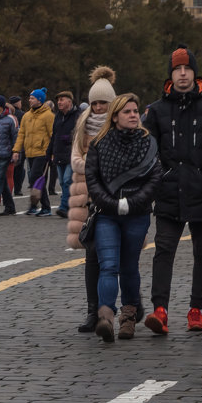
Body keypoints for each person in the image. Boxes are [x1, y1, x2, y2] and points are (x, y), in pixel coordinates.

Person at [143, 45, 202, 334]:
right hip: (168, 190)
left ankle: (196, 310)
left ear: (194, 72)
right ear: (171, 74)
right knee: (164, 250)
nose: (182, 74)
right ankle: (160, 310)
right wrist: (161, 177)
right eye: (177, 69)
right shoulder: (155, 110)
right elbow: (147, 152)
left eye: (187, 68)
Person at [85, 93, 163, 342]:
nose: (133, 115)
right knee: (108, 265)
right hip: (106, 215)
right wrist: (111, 204)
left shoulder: (147, 142)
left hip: (137, 215)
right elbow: (92, 179)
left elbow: (155, 178)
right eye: (127, 111)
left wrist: (131, 203)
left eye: (135, 111)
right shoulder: (99, 143)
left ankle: (128, 317)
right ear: (115, 116)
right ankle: (105, 316)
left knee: (129, 267)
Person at [67, 66, 116, 332]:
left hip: (115, 196)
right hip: (87, 199)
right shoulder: (82, 125)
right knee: (93, 257)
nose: (98, 107)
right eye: (95, 102)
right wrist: (95, 164)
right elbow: (75, 160)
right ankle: (93, 312)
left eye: (103, 103)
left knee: (121, 259)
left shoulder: (121, 123)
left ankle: (130, 306)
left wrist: (93, 164)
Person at [12, 88, 55, 216]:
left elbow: (53, 135)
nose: (29, 100)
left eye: (32, 98)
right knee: (37, 180)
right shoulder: (27, 116)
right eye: (30, 98)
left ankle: (45, 207)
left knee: (35, 178)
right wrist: (16, 150)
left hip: (43, 153)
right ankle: (34, 206)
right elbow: (22, 134)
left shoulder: (48, 116)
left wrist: (52, 152)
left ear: (40, 100)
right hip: (30, 153)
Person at [49, 90, 81, 217]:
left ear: (69, 101)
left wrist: (70, 138)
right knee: (62, 182)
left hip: (72, 153)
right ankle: (73, 204)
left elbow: (81, 132)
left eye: (62, 100)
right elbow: (54, 135)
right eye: (58, 100)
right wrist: (49, 152)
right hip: (59, 153)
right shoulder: (57, 116)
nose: (59, 102)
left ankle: (64, 207)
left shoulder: (77, 115)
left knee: (68, 180)